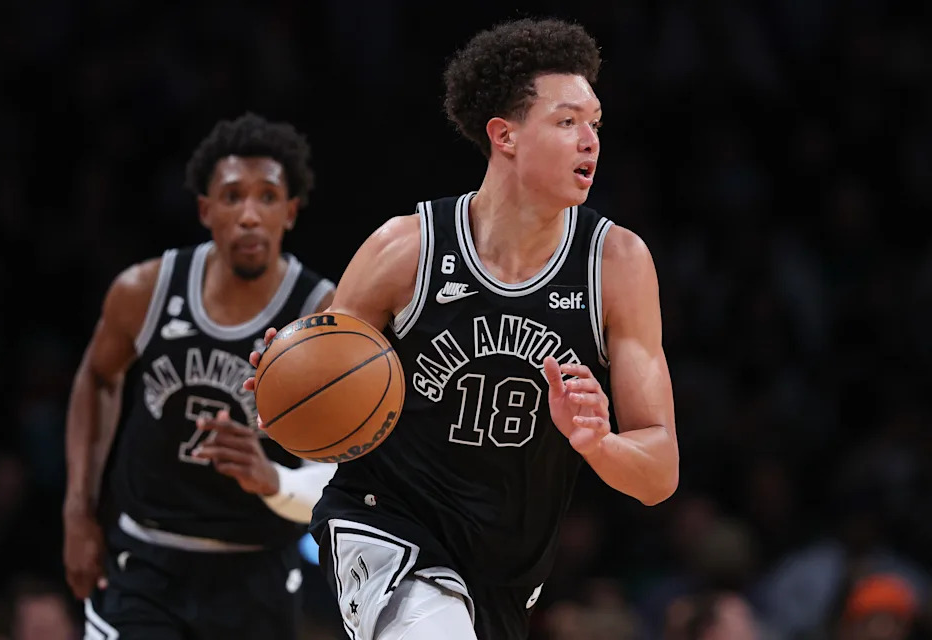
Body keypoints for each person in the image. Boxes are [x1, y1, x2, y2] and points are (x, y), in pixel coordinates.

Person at [248, 17, 679, 640]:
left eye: (596, 123)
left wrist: (597, 442)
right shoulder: (406, 251)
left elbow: (660, 472)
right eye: (567, 122)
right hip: (384, 525)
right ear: (504, 135)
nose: (590, 141)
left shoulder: (617, 266)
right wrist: (288, 379)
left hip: (505, 568)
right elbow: (316, 413)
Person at [62, 113, 338, 639]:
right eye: (233, 197)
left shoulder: (320, 314)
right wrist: (78, 512)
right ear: (206, 211)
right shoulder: (144, 290)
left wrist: (272, 478)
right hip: (145, 562)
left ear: (291, 211)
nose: (250, 215)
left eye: (268, 197)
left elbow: (332, 472)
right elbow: (97, 379)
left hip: (257, 568)